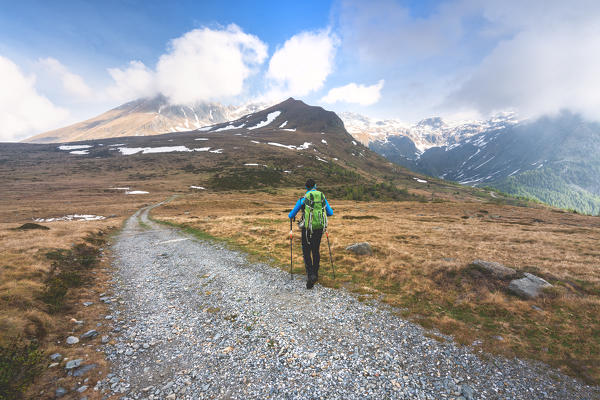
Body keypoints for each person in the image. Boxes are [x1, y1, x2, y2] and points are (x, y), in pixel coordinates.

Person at [288, 179, 333, 289]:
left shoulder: (303, 199)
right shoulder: (322, 198)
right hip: (319, 229)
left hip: (307, 229)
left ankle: (310, 275)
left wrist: (294, 215)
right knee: (315, 250)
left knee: (306, 250)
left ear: (306, 187)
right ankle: (315, 274)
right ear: (315, 186)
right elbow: (330, 213)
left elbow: (291, 215)